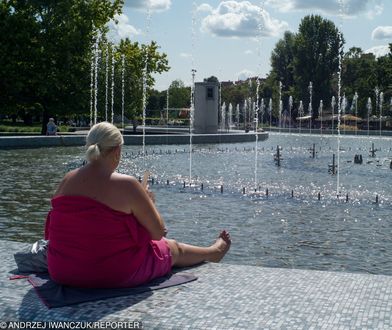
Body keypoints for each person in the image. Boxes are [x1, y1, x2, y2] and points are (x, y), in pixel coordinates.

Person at [45, 122, 231, 288]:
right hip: (113, 273)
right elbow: (158, 233)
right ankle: (213, 252)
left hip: (62, 271)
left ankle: (211, 252)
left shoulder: (66, 180)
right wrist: (150, 203)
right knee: (170, 248)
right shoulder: (126, 184)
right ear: (117, 151)